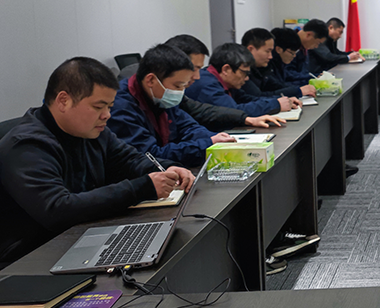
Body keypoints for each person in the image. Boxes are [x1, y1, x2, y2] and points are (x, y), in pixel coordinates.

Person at [0, 58, 194, 264]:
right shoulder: (26, 145)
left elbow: (129, 160)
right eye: (98, 107)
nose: (107, 115)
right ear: (63, 101)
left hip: (83, 236)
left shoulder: (92, 131)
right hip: (31, 258)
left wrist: (168, 168)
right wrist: (143, 187)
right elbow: (58, 210)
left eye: (109, 106)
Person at [109, 44, 234, 168]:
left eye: (184, 86)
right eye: (178, 86)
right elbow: (151, 155)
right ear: (151, 80)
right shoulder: (120, 107)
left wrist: (213, 138)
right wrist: (207, 144)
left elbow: (187, 126)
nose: (180, 92)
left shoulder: (160, 96)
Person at [163, 34, 288, 132]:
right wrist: (274, 104)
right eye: (194, 69)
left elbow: (201, 116)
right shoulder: (205, 84)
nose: (197, 77)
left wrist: (246, 118)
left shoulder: (219, 82)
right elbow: (231, 110)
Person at [186, 43, 298, 117]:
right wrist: (275, 104)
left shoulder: (225, 82)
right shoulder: (206, 84)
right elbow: (234, 112)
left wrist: (280, 100)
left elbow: (247, 99)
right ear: (226, 69)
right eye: (244, 73)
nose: (247, 78)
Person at [241, 28, 316, 99]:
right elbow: (258, 97)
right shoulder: (241, 71)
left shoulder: (260, 69)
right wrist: (298, 91)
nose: (270, 56)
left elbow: (277, 86)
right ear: (250, 49)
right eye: (267, 51)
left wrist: (299, 90)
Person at [285, 19, 329, 85]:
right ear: (308, 35)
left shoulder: (304, 47)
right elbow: (288, 74)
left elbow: (303, 72)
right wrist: (312, 77)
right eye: (317, 43)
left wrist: (317, 76)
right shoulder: (289, 45)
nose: (316, 46)